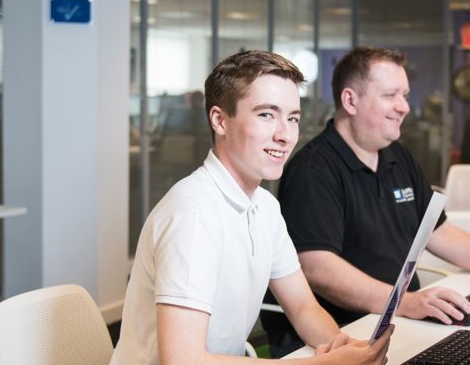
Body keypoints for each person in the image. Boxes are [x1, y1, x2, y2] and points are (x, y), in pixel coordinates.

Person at [111, 50, 393, 365]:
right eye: (266, 115)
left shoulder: (265, 207)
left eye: (293, 118)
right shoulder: (193, 214)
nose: (285, 135)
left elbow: (303, 308)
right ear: (220, 120)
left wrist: (341, 346)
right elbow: (182, 360)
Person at [261, 46, 470, 357]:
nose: (404, 107)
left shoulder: (396, 155)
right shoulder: (314, 170)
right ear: (350, 100)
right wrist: (405, 302)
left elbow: (438, 232)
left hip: (399, 319)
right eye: (391, 95)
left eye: (405, 95)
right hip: (343, 333)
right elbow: (317, 267)